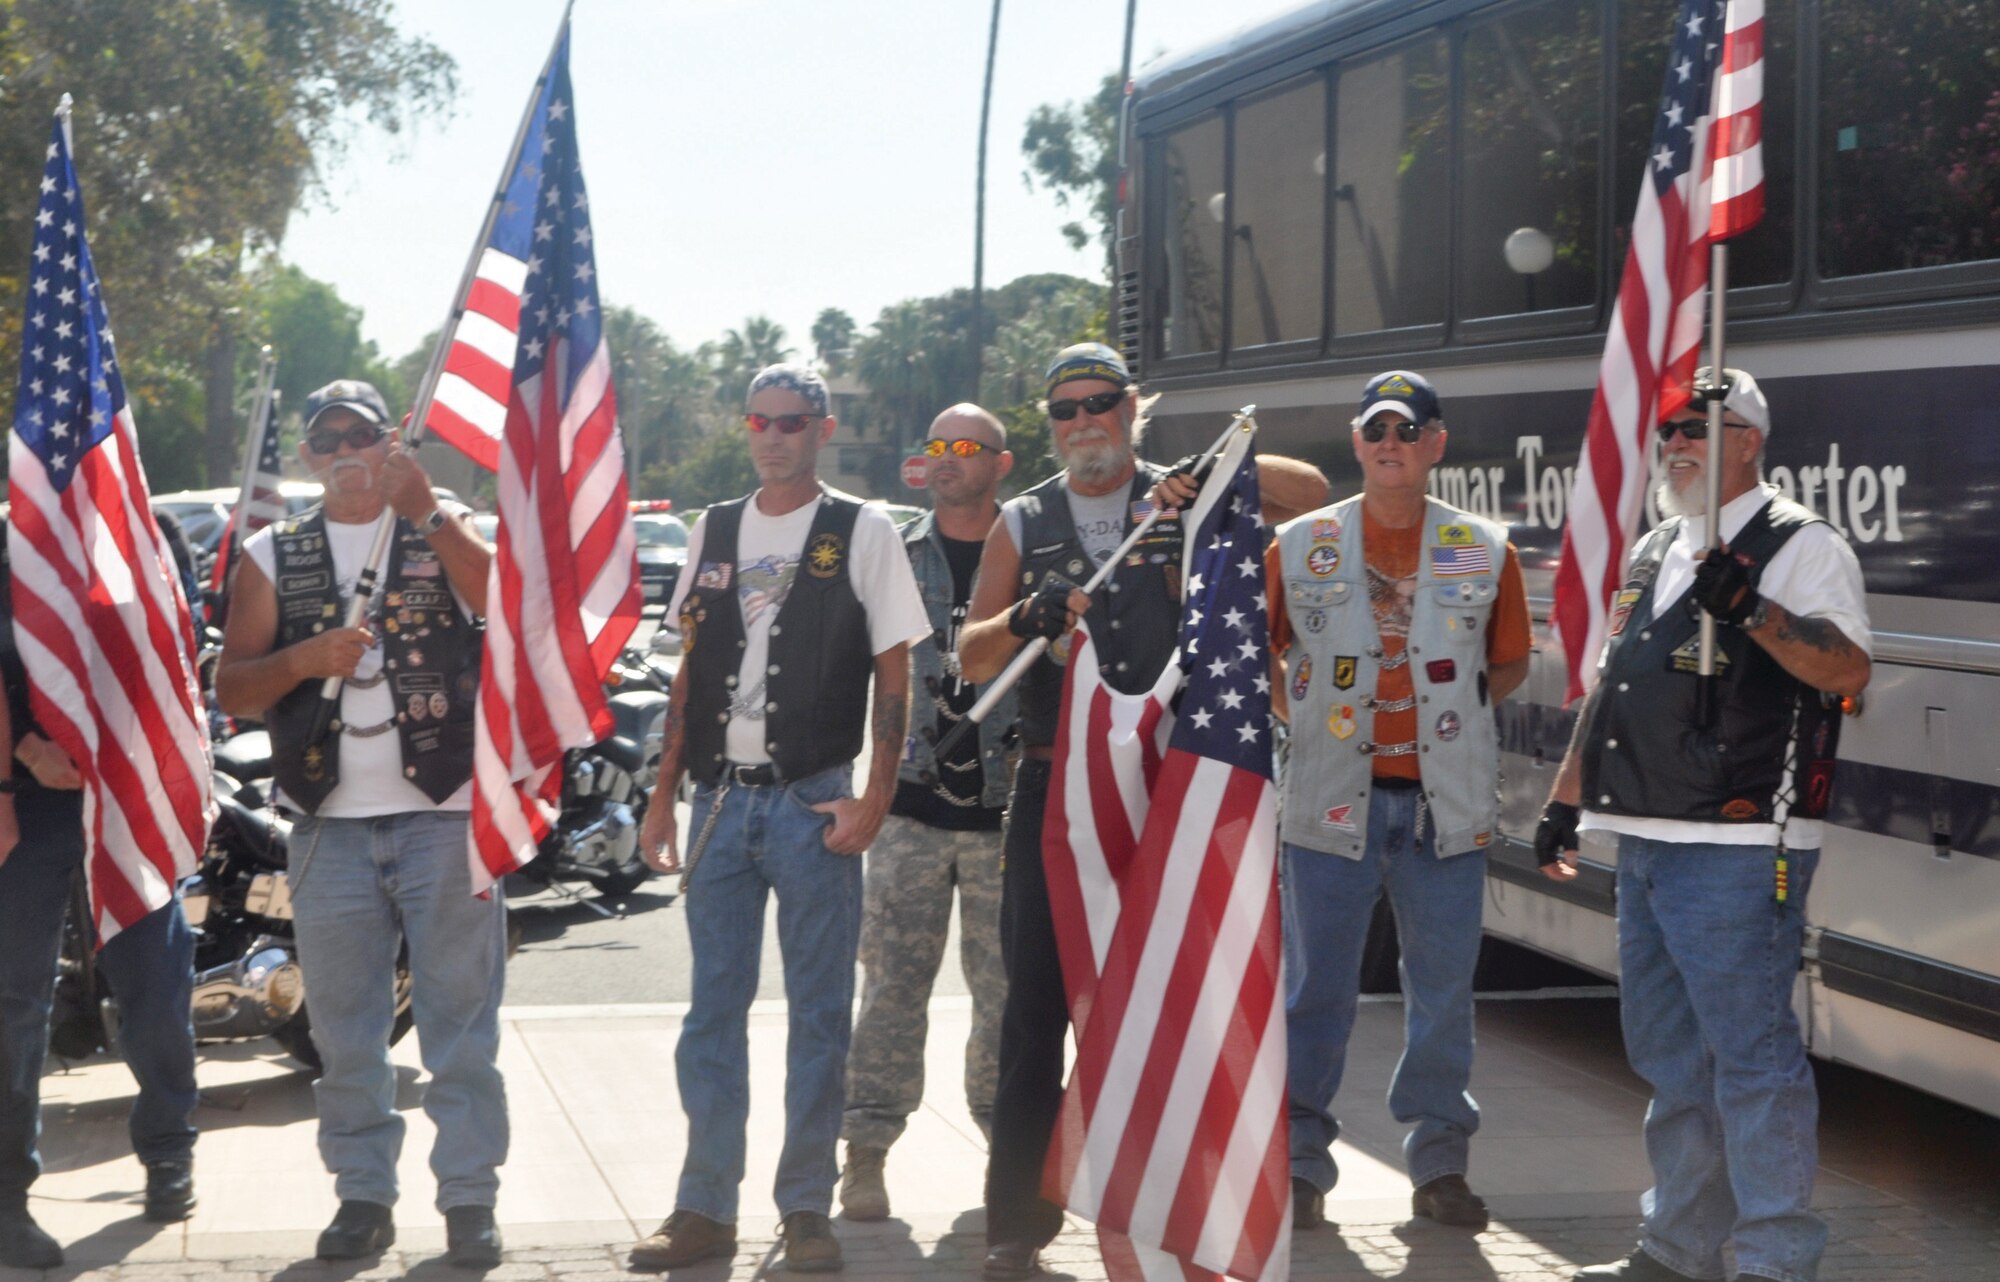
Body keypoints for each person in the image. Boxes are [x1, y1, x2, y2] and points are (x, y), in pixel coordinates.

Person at [959, 343, 1328, 1279]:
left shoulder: (1184, 493)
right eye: (1064, 409)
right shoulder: (1022, 518)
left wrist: (1199, 474)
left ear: (1133, 408)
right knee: (1035, 1011)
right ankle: (1017, 1226)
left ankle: (1186, 1206)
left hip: (1176, 790)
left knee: (1185, 997)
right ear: (1049, 424)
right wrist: (1028, 619)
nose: (1083, 421)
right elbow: (969, 654)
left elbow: (1309, 487)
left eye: (1101, 403)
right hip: (1058, 794)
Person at [1541, 369, 1870, 1282]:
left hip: (1738, 847)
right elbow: (1612, 688)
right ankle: (1678, 1248)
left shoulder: (1801, 544)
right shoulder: (1656, 546)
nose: (1674, 444)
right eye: (1667, 431)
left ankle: (1774, 1258)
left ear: (1749, 440)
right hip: (1645, 836)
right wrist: (1567, 798)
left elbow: (1844, 671)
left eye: (1696, 428)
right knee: (1670, 1060)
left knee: (1753, 1062)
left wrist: (1752, 609)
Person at [628, 364, 929, 1274]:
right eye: (760, 420)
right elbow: (688, 667)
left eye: (792, 421)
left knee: (819, 1014)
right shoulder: (714, 528)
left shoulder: (860, 529)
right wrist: (660, 791)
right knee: (710, 1014)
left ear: (822, 429)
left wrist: (875, 797)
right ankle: (703, 1208)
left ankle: (805, 1210)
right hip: (720, 799)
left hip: (812, 797)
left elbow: (895, 672)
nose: (773, 436)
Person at [214, 379, 506, 1269]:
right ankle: (362, 1197)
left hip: (443, 814)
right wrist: (304, 659)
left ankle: (468, 1201)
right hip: (326, 824)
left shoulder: (440, 520)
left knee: (461, 1029)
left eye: (363, 433)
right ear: (307, 455)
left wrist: (427, 515)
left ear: (392, 444)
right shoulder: (273, 551)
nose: (346, 447)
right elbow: (231, 687)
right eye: (327, 435)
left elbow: (502, 604)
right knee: (347, 1036)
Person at [1265, 370, 1532, 1233]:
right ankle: (1301, 1166)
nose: (1392, 444)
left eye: (1408, 432)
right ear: (1356, 443)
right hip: (1329, 805)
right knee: (1315, 993)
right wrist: (1301, 715)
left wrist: (1446, 722)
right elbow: (1263, 654)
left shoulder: (1481, 547)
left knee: (1444, 993)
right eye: (1377, 431)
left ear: (1435, 445)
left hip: (1440, 811)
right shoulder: (1301, 544)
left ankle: (1441, 1166)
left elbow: (1509, 661)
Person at [0, 536, 201, 1270]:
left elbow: (177, 651)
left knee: (155, 979)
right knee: (14, 1005)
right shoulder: (8, 544)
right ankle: (8, 1198)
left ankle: (169, 1154)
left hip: (126, 796)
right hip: (28, 803)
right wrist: (25, 747)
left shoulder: (144, 534)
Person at [837, 404, 1017, 1221]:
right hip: (906, 812)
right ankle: (866, 1152)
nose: (944, 459)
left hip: (1003, 818)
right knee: (890, 989)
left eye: (963, 448)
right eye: (935, 444)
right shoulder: (897, 551)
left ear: (1000, 463)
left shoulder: (1030, 547)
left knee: (1005, 996)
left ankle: (1004, 1151)